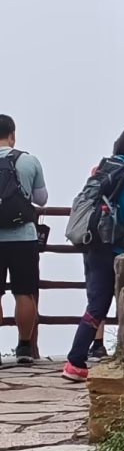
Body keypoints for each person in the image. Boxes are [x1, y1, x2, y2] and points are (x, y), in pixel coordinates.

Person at [62, 125, 124, 382]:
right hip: (118, 248)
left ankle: (78, 362)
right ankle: (75, 361)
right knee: (121, 302)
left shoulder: (106, 167)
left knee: (96, 303)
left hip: (94, 244)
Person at [0, 115, 48, 366]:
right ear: (13, 135)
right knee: (24, 293)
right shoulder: (28, 160)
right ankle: (25, 347)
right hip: (23, 237)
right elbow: (41, 199)